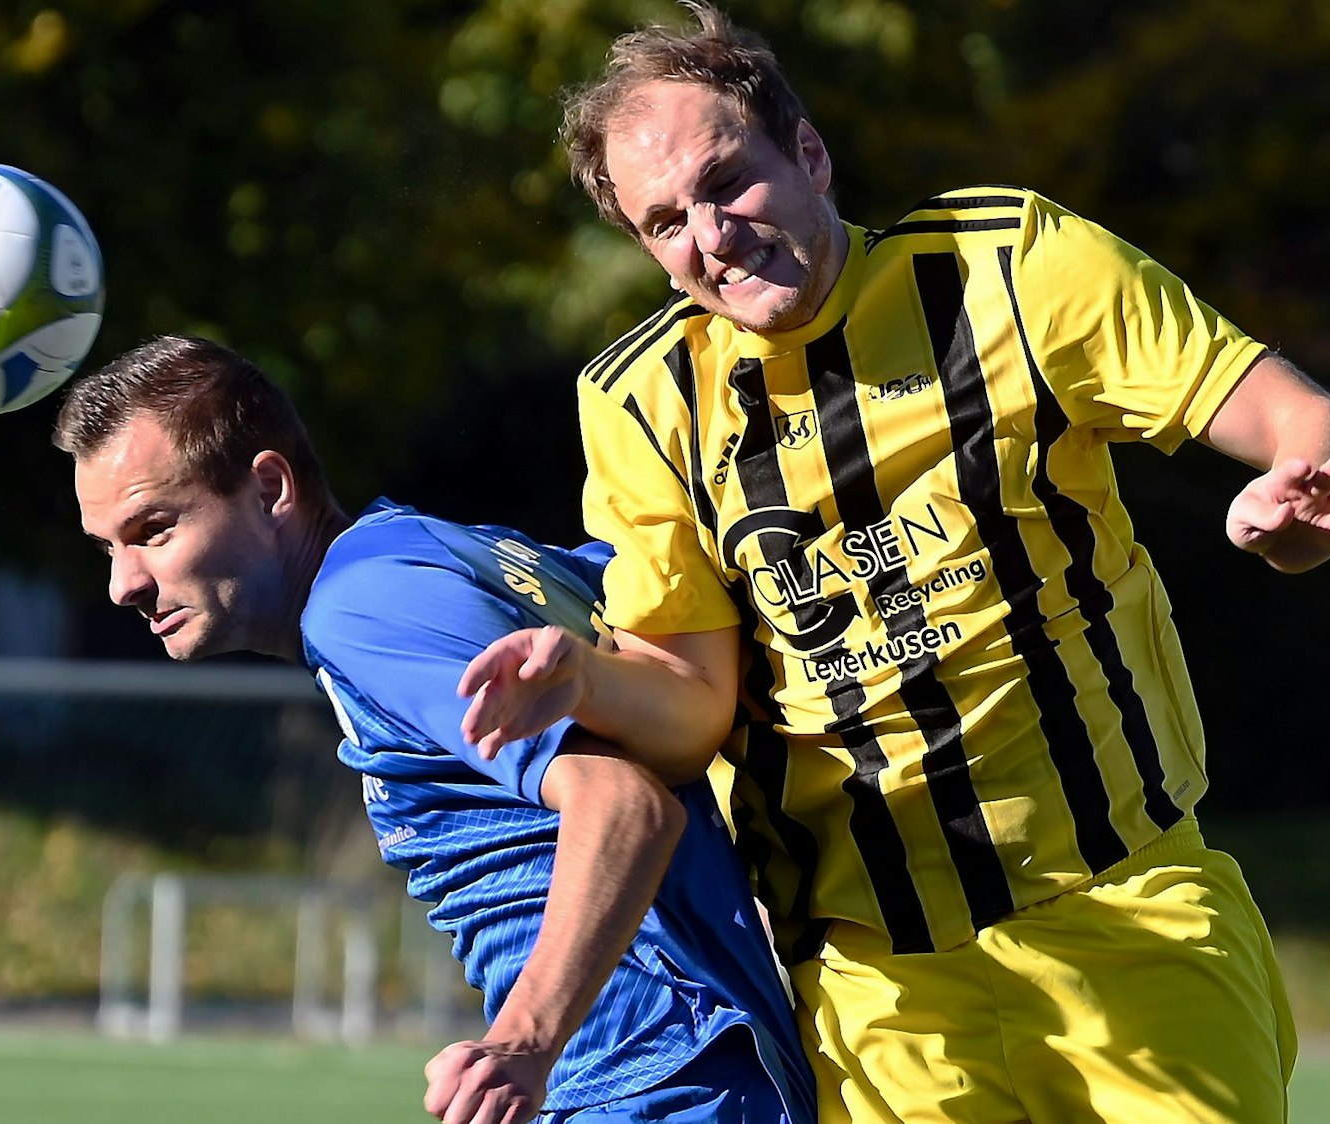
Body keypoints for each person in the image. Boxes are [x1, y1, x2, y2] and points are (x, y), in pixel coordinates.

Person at [457, 4, 1330, 1122]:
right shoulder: (642, 403)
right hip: (879, 997)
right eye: (666, 222)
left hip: (1125, 917)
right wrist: (586, 682)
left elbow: (1314, 427)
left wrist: (1301, 499)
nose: (713, 235)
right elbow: (692, 702)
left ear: (809, 154)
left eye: (729, 182)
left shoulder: (1006, 268)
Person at [52, 334, 813, 1124]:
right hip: (699, 1065)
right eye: (107, 547)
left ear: (271, 487)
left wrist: (523, 1041)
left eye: (154, 529)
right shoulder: (434, 551)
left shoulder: (362, 610)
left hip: (649, 1076)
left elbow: (623, 804)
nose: (122, 585)